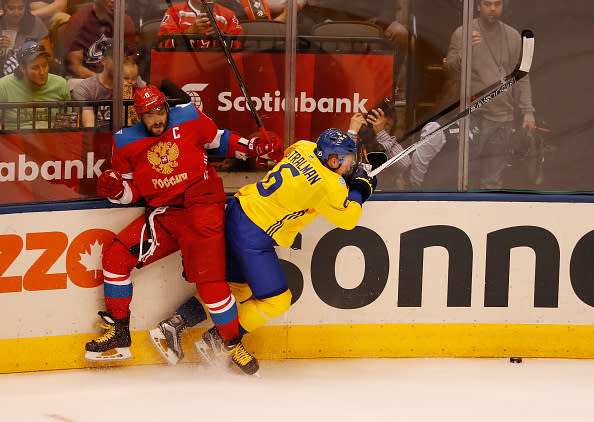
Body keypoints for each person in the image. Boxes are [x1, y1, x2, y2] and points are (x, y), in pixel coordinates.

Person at [84, 84, 282, 376]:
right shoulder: (124, 142)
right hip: (164, 215)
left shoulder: (189, 115)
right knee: (115, 257)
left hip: (202, 212)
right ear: (139, 116)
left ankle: (231, 344)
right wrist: (115, 190)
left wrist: (253, 149)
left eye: (159, 111)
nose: (155, 119)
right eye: (148, 114)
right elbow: (130, 191)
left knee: (211, 286)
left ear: (166, 107)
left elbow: (219, 140)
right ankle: (120, 333)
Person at [149, 128, 376, 369]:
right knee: (277, 300)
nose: (351, 166)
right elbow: (348, 219)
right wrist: (360, 188)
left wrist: (343, 178)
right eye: (348, 162)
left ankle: (173, 325)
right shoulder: (330, 185)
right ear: (333, 160)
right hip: (254, 235)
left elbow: (294, 158)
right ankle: (219, 340)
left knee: (238, 288)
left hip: (238, 210)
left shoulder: (304, 146)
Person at [446, 0, 535, 189]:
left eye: (497, 4)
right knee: (463, 178)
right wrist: (466, 53)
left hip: (502, 117)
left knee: (493, 180)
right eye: (487, 3)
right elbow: (449, 70)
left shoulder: (512, 36)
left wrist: (528, 111)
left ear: (503, 6)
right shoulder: (463, 33)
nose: (492, 8)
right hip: (471, 116)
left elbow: (522, 76)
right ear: (478, 6)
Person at [62, 0, 136, 87]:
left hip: (117, 79)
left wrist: (121, 79)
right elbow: (75, 66)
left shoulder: (125, 21)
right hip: (84, 78)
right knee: (74, 84)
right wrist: (102, 80)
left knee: (140, 84)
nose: (113, 1)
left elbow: (129, 62)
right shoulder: (79, 19)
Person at [71, 42, 144, 129]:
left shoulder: (135, 83)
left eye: (124, 60)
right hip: (99, 138)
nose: (121, 63)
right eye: (117, 59)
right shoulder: (86, 88)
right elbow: (89, 128)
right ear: (103, 60)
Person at [0, 40, 69, 130]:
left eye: (45, 65)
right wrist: (13, 138)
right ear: (22, 69)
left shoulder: (60, 84)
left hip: (51, 139)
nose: (42, 72)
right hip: (15, 140)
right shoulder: (3, 86)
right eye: (35, 68)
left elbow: (67, 121)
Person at [158, 0, 243, 49]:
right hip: (183, 70)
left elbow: (239, 48)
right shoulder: (173, 12)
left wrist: (220, 35)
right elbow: (164, 46)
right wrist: (193, 30)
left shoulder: (228, 15)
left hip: (218, 69)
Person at [0, 0, 48, 76]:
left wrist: (28, 51)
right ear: (4, 7)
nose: (16, 13)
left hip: (29, 72)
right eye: (11, 8)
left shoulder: (35, 23)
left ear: (26, 8)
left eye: (20, 8)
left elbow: (48, 54)